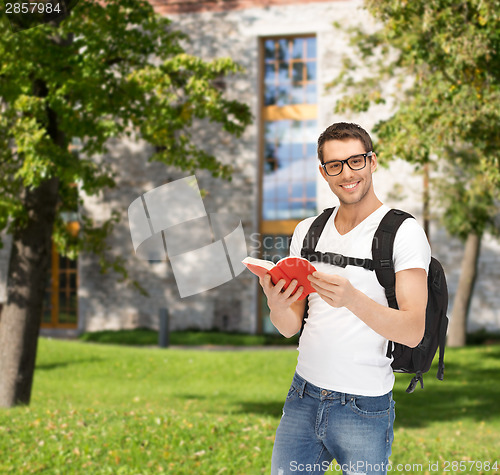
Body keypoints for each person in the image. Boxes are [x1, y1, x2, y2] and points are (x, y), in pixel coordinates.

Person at [259, 122, 431, 475]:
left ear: (372, 162)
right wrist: (277, 304)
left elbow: (413, 330)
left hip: (364, 406)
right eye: (335, 165)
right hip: (302, 397)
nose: (347, 173)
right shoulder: (308, 231)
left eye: (356, 161)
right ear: (324, 172)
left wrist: (352, 299)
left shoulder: (403, 233)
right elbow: (290, 326)